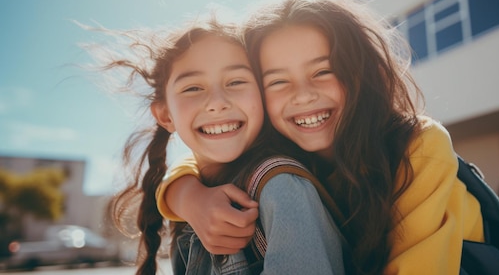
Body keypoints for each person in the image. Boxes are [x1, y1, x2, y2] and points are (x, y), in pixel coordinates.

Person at [156, 0, 486, 274]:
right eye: (278, 81)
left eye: (323, 71)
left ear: (359, 73)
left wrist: (183, 196)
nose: (302, 94)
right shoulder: (285, 152)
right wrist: (188, 196)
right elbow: (201, 161)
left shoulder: (417, 145)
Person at [92, 17, 345, 275]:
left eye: (235, 82)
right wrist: (186, 197)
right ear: (165, 116)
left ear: (262, 94)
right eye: (192, 88)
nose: (217, 102)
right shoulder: (196, 194)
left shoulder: (281, 188)